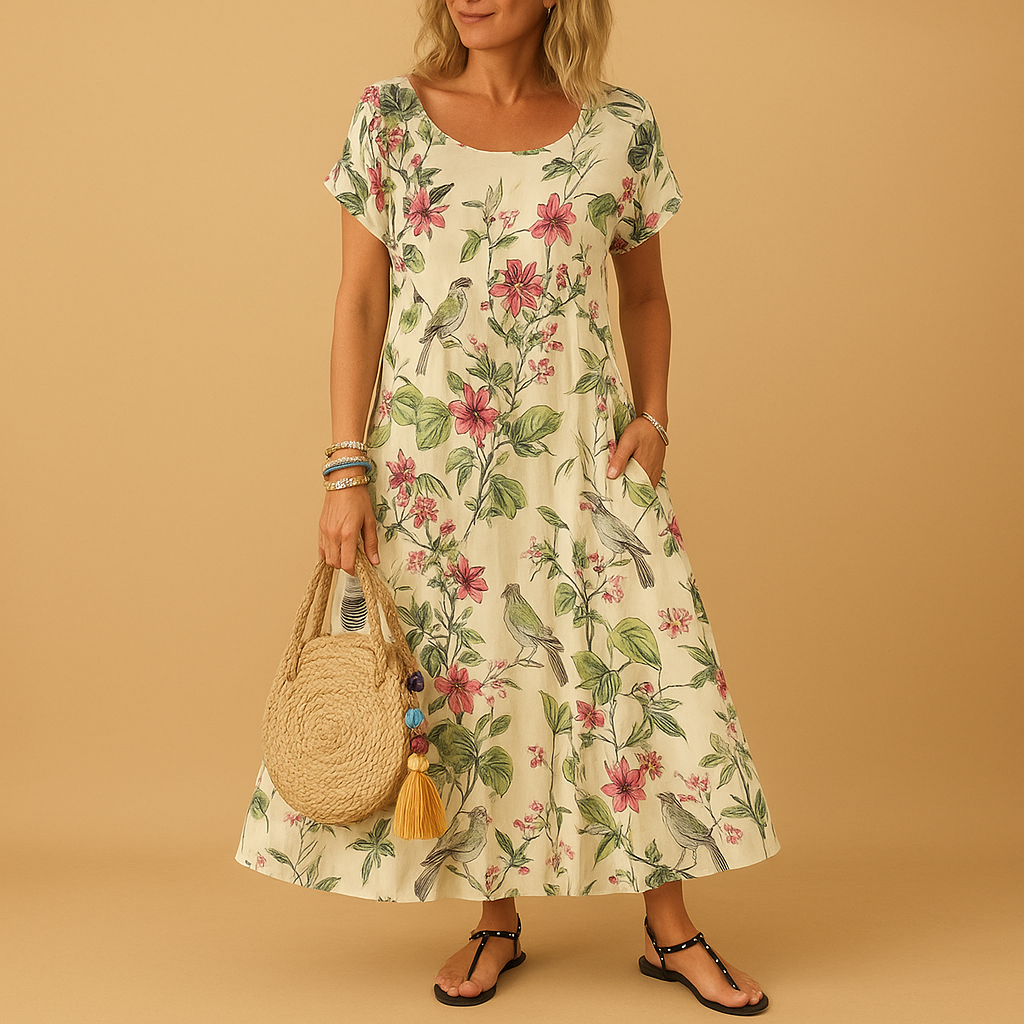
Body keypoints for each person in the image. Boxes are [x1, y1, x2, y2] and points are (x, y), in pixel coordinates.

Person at [236, 0, 781, 1013]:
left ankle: (671, 927)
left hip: (581, 450)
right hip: (433, 462)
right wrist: (345, 467)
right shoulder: (389, 117)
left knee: (633, 664)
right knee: (469, 675)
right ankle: (495, 917)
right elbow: (359, 299)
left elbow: (644, 294)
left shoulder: (619, 124)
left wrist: (655, 418)